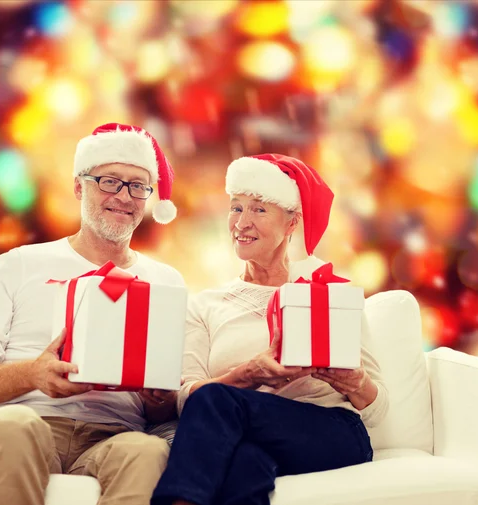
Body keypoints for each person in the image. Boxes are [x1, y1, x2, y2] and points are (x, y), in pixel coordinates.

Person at [0, 123, 183, 505]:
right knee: (12, 426)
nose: (124, 196)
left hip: (112, 436)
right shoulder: (19, 264)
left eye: (138, 186)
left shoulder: (166, 281)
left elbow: (163, 406)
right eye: (109, 181)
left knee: (148, 452)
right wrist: (34, 374)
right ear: (79, 187)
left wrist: (157, 395)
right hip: (27, 422)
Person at [151, 154, 389, 505]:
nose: (241, 222)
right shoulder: (206, 304)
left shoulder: (326, 293)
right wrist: (248, 374)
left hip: (331, 432)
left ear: (292, 222)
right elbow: (187, 398)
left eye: (259, 210)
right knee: (246, 462)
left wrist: (354, 382)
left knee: (218, 402)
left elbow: (378, 408)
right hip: (249, 435)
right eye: (236, 208)